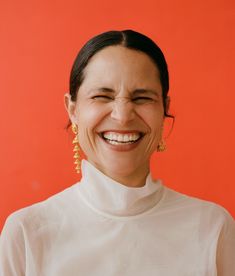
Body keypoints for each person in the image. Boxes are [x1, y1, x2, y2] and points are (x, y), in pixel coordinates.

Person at [0, 30, 234, 276]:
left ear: (164, 109)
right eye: (102, 96)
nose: (122, 116)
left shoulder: (212, 229)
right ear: (73, 109)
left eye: (142, 97)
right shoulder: (26, 234)